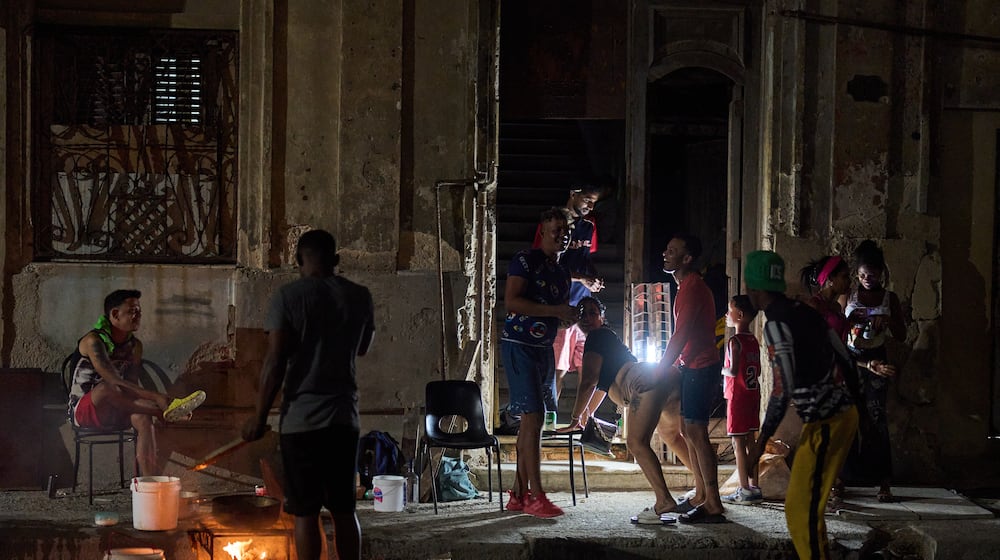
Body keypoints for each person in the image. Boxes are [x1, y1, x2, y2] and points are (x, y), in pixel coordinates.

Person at [242, 229, 375, 560]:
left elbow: (275, 362)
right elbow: (363, 348)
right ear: (336, 261)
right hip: (344, 419)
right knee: (345, 510)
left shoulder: (287, 297)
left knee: (305, 511)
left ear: (298, 260)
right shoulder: (359, 296)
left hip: (300, 423)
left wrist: (259, 417)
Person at [744, 250, 864, 560]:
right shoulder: (806, 312)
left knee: (801, 509)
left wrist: (759, 444)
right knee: (807, 507)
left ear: (754, 290)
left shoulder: (776, 325)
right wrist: (858, 409)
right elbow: (846, 358)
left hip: (828, 420)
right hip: (836, 417)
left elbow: (784, 390)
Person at [558, 296, 691, 523]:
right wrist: (585, 416)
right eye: (582, 313)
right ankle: (705, 491)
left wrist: (573, 418)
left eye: (592, 313)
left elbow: (589, 381)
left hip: (644, 383)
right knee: (671, 436)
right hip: (662, 378)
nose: (587, 318)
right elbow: (600, 387)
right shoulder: (607, 340)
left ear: (601, 317)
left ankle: (664, 500)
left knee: (636, 443)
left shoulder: (597, 337)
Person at [68, 289, 207, 477]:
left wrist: (148, 402)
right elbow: (113, 380)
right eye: (132, 311)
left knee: (143, 419)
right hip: (86, 411)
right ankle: (164, 411)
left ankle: (148, 483)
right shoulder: (94, 341)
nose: (138, 315)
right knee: (108, 387)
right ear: (115, 314)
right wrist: (158, 398)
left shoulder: (135, 346)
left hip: (117, 408)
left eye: (139, 311)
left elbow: (131, 385)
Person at [502, 207, 578, 518]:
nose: (562, 234)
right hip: (519, 346)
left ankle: (518, 494)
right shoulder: (525, 260)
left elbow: (552, 311)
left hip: (543, 348)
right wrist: (556, 312)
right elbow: (512, 301)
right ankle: (536, 495)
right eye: (556, 230)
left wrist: (567, 318)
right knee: (532, 420)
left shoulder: (562, 272)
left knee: (534, 425)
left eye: (565, 230)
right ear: (542, 232)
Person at [656, 233, 726, 524]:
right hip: (692, 366)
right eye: (667, 249)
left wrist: (660, 369)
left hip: (700, 367)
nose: (665, 254)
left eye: (673, 251)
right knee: (688, 430)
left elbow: (680, 335)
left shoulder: (693, 288)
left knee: (697, 433)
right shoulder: (687, 286)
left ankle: (714, 502)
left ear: (687, 259)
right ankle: (700, 494)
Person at [532, 183, 606, 413]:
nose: (590, 206)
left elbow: (585, 258)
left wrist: (591, 279)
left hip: (583, 304)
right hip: (561, 306)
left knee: (590, 365)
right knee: (558, 368)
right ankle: (550, 416)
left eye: (594, 202)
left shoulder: (588, 226)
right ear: (573, 194)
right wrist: (582, 278)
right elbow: (548, 264)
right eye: (587, 200)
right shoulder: (553, 227)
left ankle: (583, 419)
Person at [839, 240, 904, 503]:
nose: (868, 279)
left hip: (878, 361)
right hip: (852, 360)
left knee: (877, 420)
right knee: (848, 420)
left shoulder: (890, 299)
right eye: (863, 275)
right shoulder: (848, 297)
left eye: (873, 275)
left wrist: (887, 321)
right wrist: (851, 321)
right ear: (857, 274)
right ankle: (843, 480)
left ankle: (884, 482)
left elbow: (901, 334)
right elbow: (838, 332)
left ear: (881, 274)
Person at [720, 295, 763, 505]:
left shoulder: (734, 342)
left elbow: (733, 369)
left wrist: (720, 369)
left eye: (730, 310)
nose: (727, 315)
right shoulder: (753, 340)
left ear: (740, 315)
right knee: (751, 442)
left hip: (737, 397)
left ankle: (743, 489)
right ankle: (755, 486)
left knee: (738, 443)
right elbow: (760, 370)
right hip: (753, 395)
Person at [800, 255, 853, 342]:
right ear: (831, 278)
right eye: (844, 276)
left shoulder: (836, 306)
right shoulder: (815, 306)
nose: (849, 281)